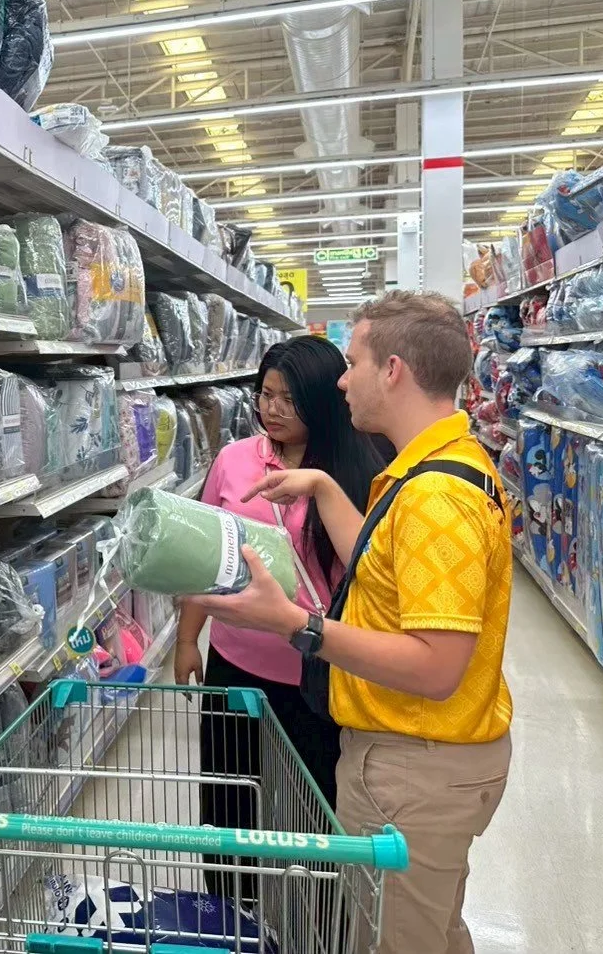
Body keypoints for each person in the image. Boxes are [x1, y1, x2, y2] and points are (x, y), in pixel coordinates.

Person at [190, 291, 513, 954]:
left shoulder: (434, 497)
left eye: (354, 360)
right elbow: (386, 574)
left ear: (392, 370)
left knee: (390, 942)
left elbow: (435, 666)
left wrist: (296, 625)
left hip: (414, 766)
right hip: (430, 757)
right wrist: (324, 490)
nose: (341, 379)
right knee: (433, 931)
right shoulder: (435, 466)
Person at [173, 336, 389, 898]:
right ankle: (228, 911)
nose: (271, 409)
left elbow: (373, 580)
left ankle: (313, 912)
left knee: (315, 806)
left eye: (287, 399)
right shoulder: (233, 460)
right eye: (264, 395)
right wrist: (188, 639)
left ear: (321, 401)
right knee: (225, 799)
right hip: (235, 664)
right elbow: (205, 553)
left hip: (316, 671)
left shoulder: (361, 468)